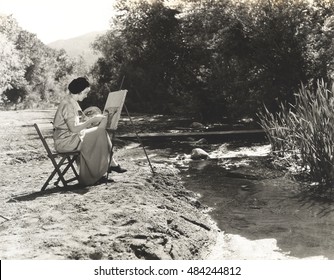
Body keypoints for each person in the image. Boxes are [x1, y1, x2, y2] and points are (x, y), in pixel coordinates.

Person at [53, 77, 126, 186]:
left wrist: (91, 120)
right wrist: (91, 121)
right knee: (100, 133)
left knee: (100, 132)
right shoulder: (68, 105)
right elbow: (73, 128)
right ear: (79, 91)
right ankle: (107, 167)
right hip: (66, 142)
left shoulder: (71, 101)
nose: (86, 95)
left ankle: (106, 167)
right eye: (85, 92)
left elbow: (75, 124)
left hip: (70, 138)